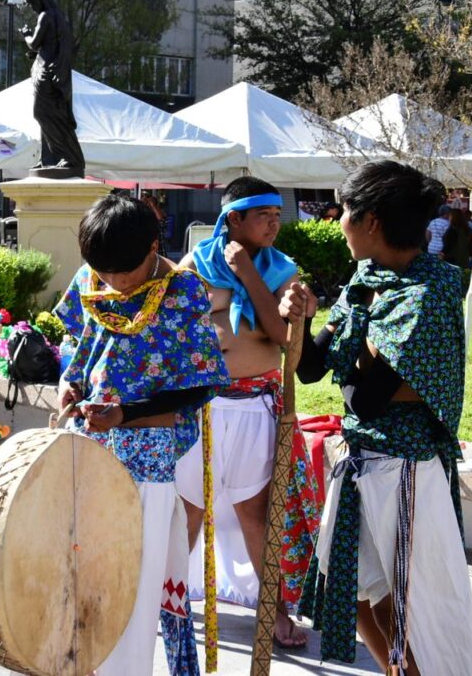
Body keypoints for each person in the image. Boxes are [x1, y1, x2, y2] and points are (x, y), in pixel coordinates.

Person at [281, 160, 472, 675]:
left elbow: (366, 400)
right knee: (351, 591)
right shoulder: (366, 279)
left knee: (414, 614)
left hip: (403, 473)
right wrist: (301, 320)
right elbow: (311, 368)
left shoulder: (428, 291)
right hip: (362, 464)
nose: (337, 224)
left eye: (344, 212)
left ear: (371, 221)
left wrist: (358, 357)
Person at [54, 195, 228, 674]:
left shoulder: (184, 291)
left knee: (133, 578)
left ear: (153, 246)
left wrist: (126, 414)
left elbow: (199, 384)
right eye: (102, 270)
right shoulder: (92, 275)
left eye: (123, 272)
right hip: (89, 442)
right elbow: (78, 344)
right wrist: (70, 381)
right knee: (81, 570)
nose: (111, 281)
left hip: (150, 450)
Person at [177, 176, 319, 648]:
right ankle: (165, 599)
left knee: (258, 514)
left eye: (278, 216)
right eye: (264, 216)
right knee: (189, 508)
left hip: (256, 406)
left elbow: (282, 337)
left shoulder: (283, 272)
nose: (274, 224)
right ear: (233, 218)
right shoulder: (195, 265)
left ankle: (274, 610)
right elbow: (174, 328)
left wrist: (247, 273)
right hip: (202, 405)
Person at [20, 0, 85, 175]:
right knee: (50, 115)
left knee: (42, 113)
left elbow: (34, 43)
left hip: (46, 74)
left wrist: (26, 34)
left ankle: (69, 157)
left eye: (31, 2)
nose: (31, 7)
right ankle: (49, 158)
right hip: (51, 71)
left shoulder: (46, 16)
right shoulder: (59, 18)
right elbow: (51, 46)